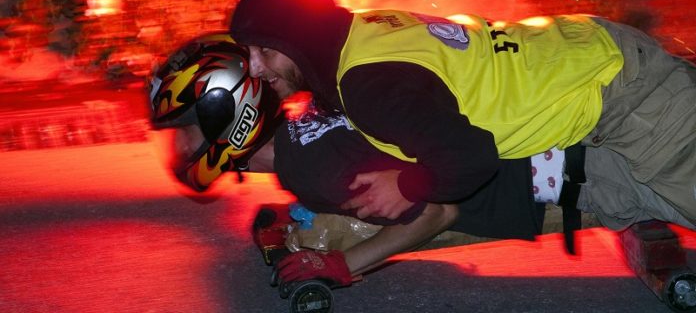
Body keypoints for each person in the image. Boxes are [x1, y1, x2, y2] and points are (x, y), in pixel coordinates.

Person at [228, 0, 696, 282]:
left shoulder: (367, 86)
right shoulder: (365, 32)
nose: (255, 67)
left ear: (301, 41)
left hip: (628, 98)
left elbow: (471, 158)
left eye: (266, 50)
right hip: (587, 56)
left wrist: (408, 185)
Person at [148, 32, 548, 288]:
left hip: (534, 184)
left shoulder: (310, 170)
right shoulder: (308, 117)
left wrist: (341, 264)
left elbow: (437, 213)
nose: (180, 149)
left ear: (225, 118)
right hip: (524, 122)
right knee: (322, 221)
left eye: (184, 131)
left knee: (327, 233)